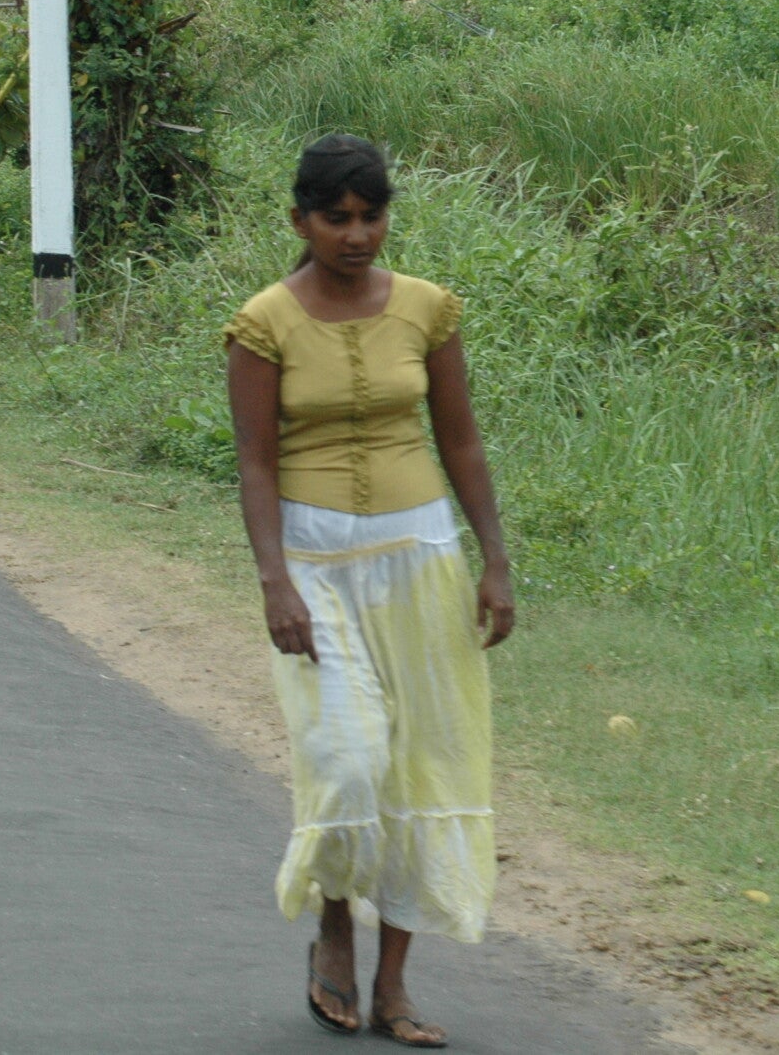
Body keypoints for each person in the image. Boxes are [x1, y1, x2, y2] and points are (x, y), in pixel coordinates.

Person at [225, 134, 514, 1049]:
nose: (356, 236)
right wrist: (275, 581)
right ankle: (333, 925)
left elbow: (460, 439)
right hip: (313, 566)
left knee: (422, 765)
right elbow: (255, 462)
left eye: (371, 217)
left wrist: (494, 560)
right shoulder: (264, 322)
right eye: (336, 218)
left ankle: (394, 983)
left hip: (420, 560)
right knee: (348, 761)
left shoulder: (427, 308)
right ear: (299, 221)